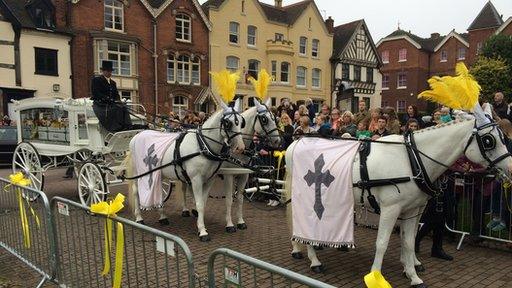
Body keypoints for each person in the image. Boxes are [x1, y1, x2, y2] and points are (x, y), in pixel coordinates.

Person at [91, 60, 135, 132]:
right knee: (116, 109)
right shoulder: (96, 80)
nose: (109, 73)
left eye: (110, 71)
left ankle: (127, 125)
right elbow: (96, 93)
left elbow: (116, 94)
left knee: (123, 107)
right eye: (107, 71)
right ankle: (116, 127)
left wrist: (118, 101)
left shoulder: (113, 83)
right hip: (101, 104)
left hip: (111, 103)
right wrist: (108, 99)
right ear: (103, 71)